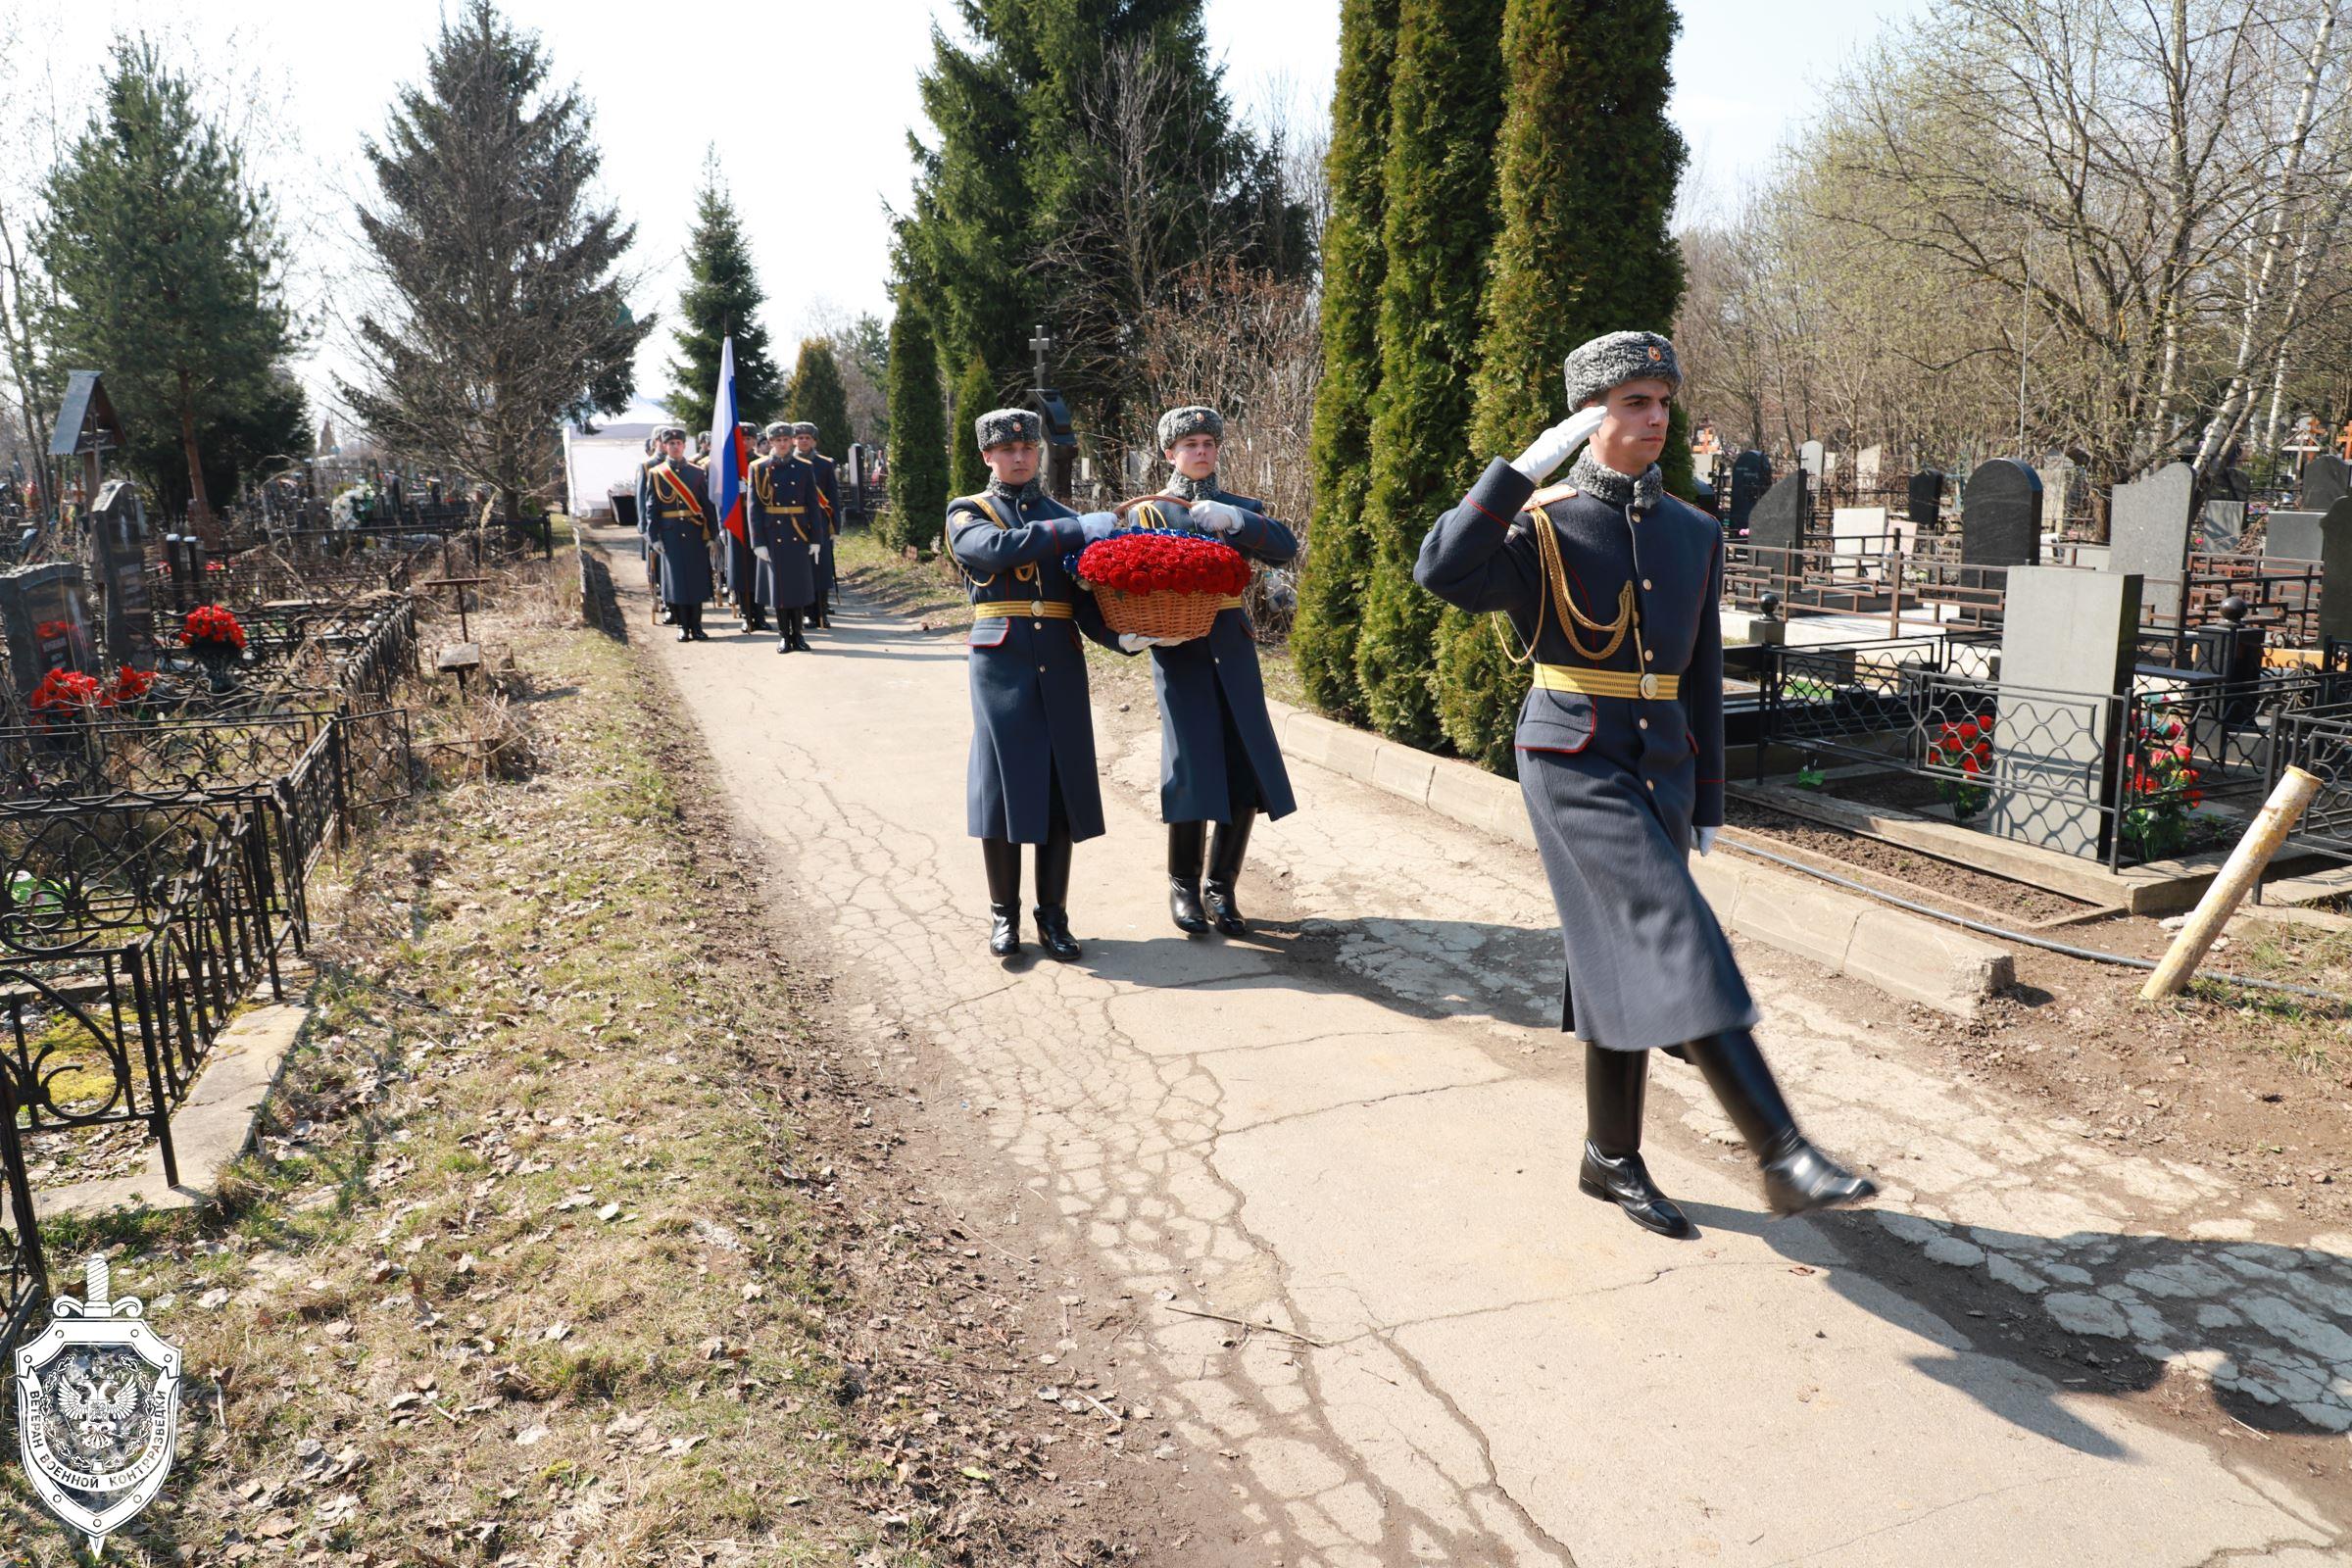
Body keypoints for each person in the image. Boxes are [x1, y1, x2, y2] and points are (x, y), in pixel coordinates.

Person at [1414, 330, 1875, 1236]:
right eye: (1634, 401)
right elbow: (1441, 570)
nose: (1657, 418)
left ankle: (1609, 1156)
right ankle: (1781, 1152)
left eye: (1664, 401)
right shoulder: (1543, 523)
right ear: (1592, 416)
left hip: (1660, 766)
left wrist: (1706, 800)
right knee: (1669, 929)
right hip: (1570, 753)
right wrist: (1518, 474)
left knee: (1624, 960)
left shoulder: (1693, 531)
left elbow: (1699, 673)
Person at [949, 410, 1121, 960]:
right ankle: (1005, 917)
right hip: (1001, 662)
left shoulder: (1063, 514)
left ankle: (1054, 917)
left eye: (1029, 447)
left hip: (1060, 657)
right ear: (988, 457)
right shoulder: (969, 511)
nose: (1021, 456)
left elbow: (1085, 601)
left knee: (1057, 788)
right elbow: (992, 552)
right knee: (1001, 787)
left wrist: (1125, 637)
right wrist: (1075, 530)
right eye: (1008, 449)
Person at [1141, 405, 1298, 936]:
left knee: (1242, 763)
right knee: (1190, 765)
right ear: (1169, 453)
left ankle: (1220, 887)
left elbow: (1284, 548)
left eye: (1208, 442)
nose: (1200, 452)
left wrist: (1239, 521)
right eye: (1189, 445)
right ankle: (1184, 886)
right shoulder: (1149, 514)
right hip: (1179, 648)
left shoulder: (1239, 506)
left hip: (1232, 648)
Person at [750, 420, 819, 653]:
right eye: (777, 440)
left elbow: (812, 504)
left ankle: (798, 634)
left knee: (797, 586)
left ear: (791, 441)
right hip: (773, 534)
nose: (782, 444)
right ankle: (784, 635)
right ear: (770, 442)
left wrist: (816, 538)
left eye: (786, 440)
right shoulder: (759, 468)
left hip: (797, 532)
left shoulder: (803, 466)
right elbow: (754, 508)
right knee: (779, 588)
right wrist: (757, 541)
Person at [644, 424, 715, 641]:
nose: (675, 447)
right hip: (670, 534)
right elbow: (651, 508)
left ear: (684, 446)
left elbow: (707, 505)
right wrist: (654, 537)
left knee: (695, 580)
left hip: (694, 532)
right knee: (676, 581)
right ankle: (683, 626)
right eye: (671, 443)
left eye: (678, 443)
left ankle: (697, 625)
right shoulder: (656, 474)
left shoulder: (696, 472)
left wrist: (713, 534)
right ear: (664, 446)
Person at [637, 426, 690, 623]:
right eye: (660, 439)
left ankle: (683, 608)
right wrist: (645, 528)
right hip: (659, 526)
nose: (663, 443)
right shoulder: (648, 466)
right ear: (656, 442)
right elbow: (643, 501)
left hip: (681, 527)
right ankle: (668, 605)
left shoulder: (686, 465)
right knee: (661, 569)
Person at [793, 422, 842, 628]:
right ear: (794, 440)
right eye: (800, 437)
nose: (804, 441)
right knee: (802, 569)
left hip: (820, 521)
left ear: (814, 441)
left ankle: (821, 611)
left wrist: (835, 528)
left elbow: (832, 497)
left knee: (820, 569)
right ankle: (807, 612)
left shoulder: (824, 464)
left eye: (808, 437)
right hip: (795, 521)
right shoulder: (788, 463)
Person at [722, 420, 766, 632]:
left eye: (749, 438)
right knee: (741, 571)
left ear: (755, 441)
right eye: (742, 439)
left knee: (759, 570)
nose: (746, 442)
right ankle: (746, 614)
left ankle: (760, 614)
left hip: (757, 524)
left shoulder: (762, 463)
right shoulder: (728, 466)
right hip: (737, 522)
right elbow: (719, 498)